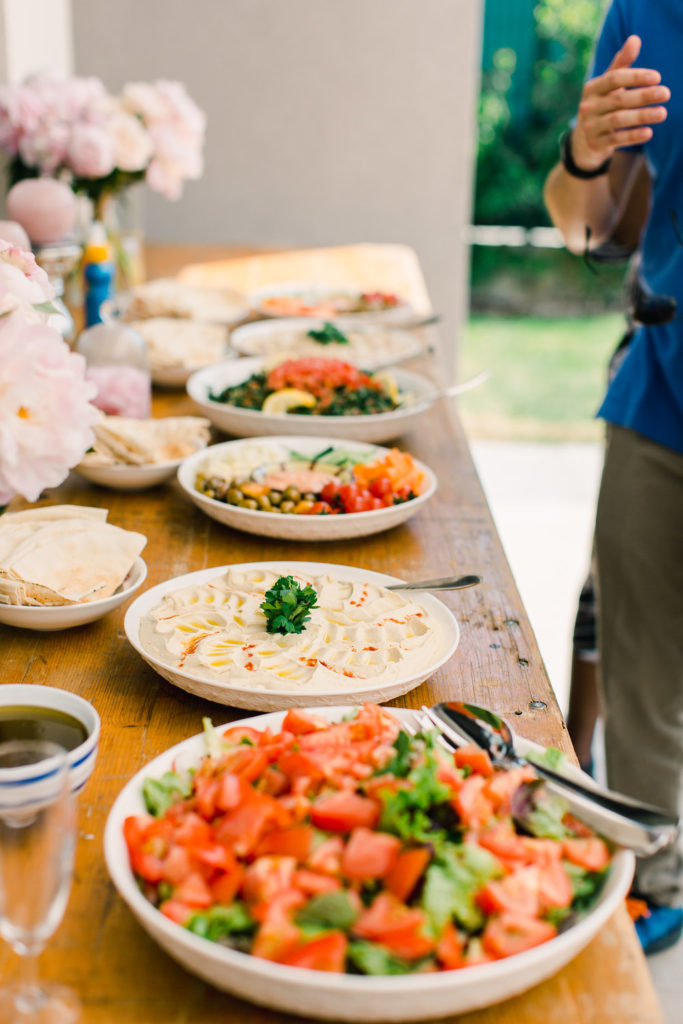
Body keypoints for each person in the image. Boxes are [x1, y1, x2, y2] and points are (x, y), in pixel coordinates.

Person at [544, 12, 683, 956]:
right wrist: (583, 154)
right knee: (639, 662)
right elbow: (588, 226)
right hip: (661, 388)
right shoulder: (643, 14)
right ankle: (654, 873)